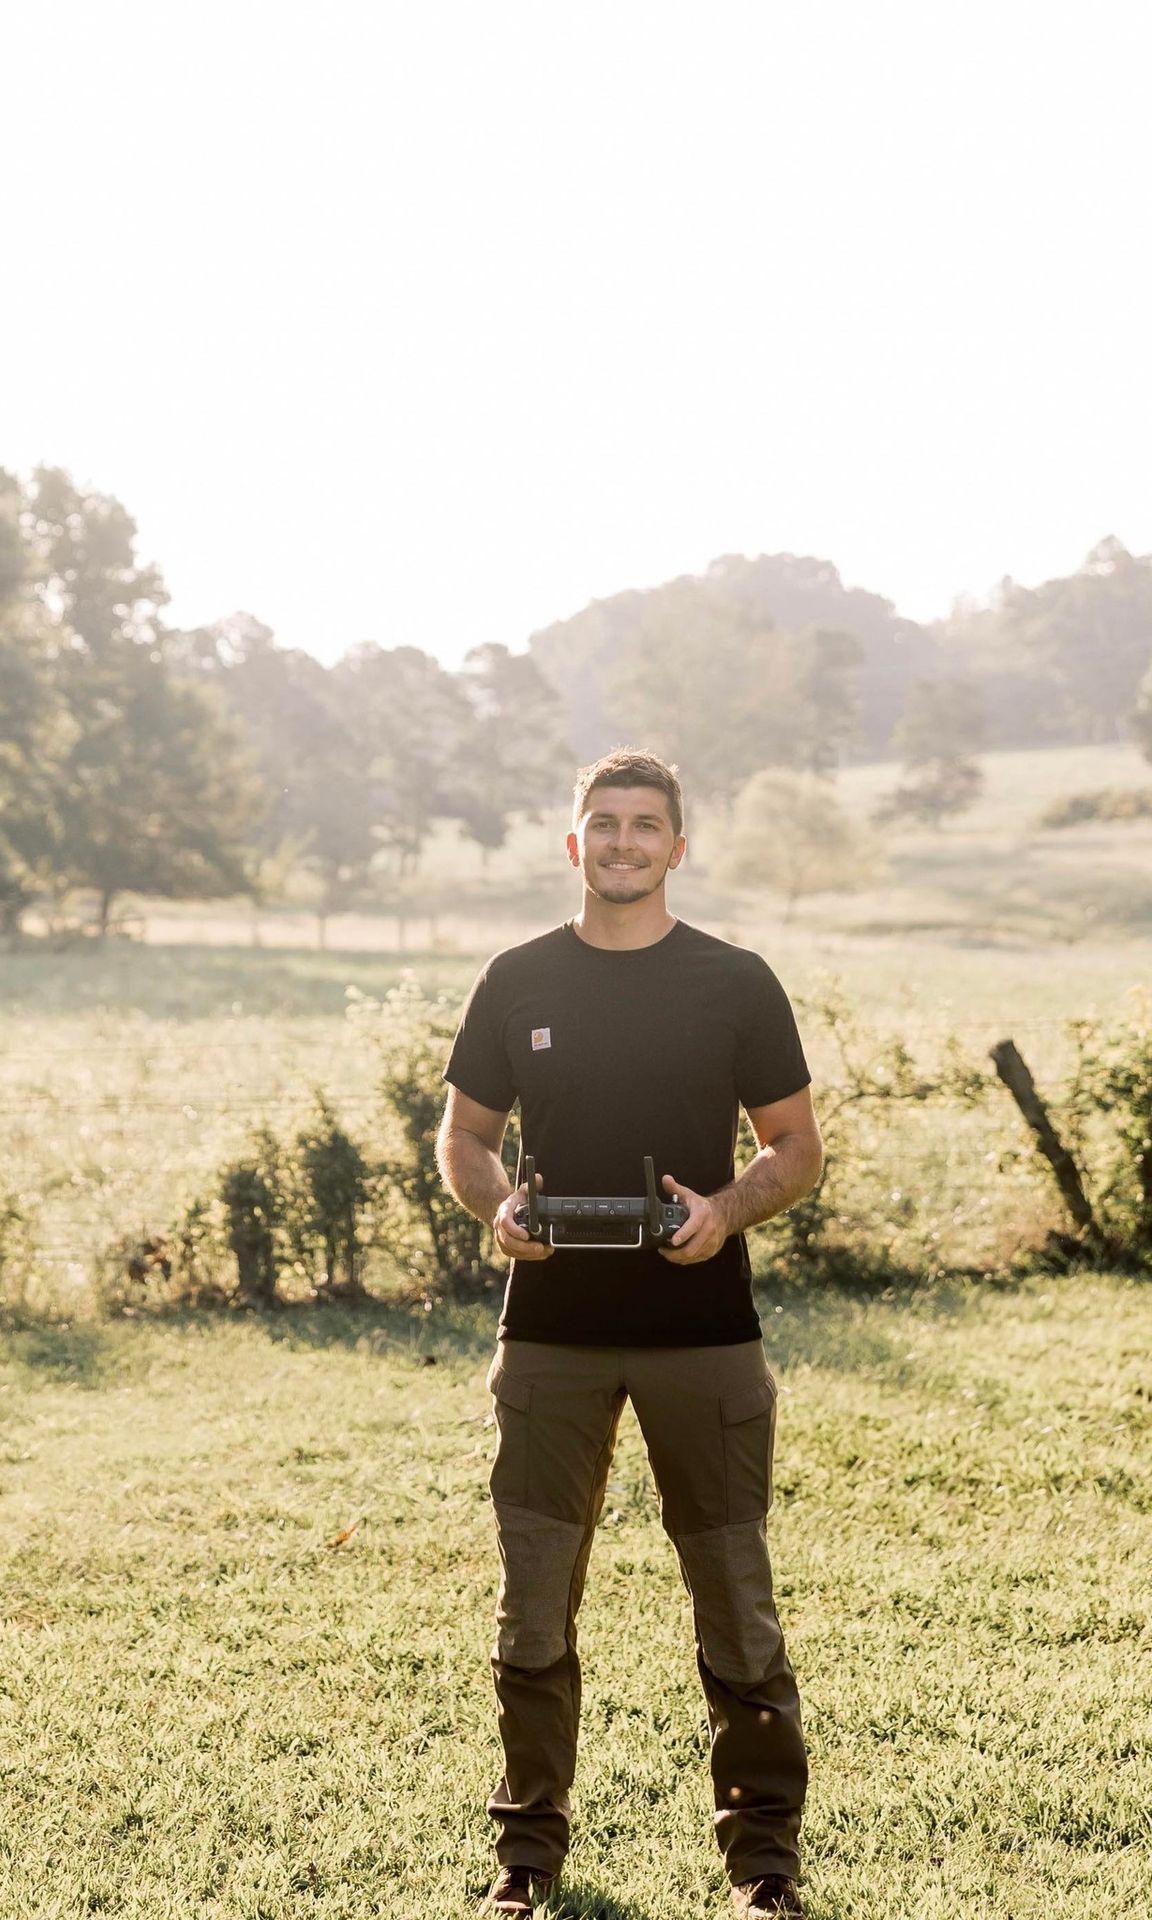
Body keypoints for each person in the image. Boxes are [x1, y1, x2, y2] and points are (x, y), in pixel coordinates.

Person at [436, 747, 823, 1920]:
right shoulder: (516, 980)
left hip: (705, 1338)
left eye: (644, 825)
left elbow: (796, 1151)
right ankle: (526, 1859)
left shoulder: (737, 983)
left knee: (735, 1599)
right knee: (533, 1604)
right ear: (573, 843)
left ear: (676, 846)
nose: (621, 842)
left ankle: (763, 1866)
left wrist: (724, 1212)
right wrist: (495, 1205)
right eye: (602, 824)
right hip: (550, 1337)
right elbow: (461, 1140)